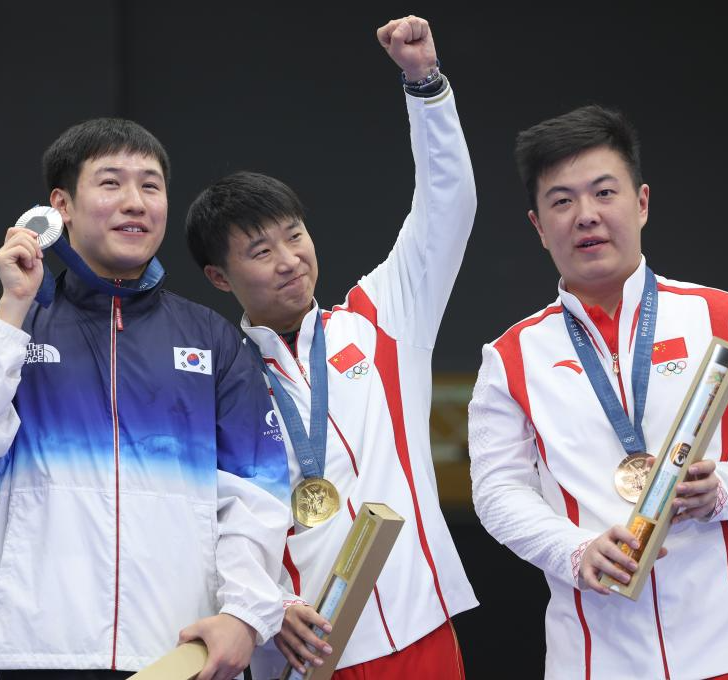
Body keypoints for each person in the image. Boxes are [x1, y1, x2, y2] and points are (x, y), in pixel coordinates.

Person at [0, 117, 290, 680]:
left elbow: (257, 492)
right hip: (36, 652)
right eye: (111, 183)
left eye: (150, 185)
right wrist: (13, 308)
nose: (135, 201)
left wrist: (243, 614)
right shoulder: (10, 330)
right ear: (60, 205)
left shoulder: (212, 340)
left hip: (177, 653)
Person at [467, 104, 728, 679]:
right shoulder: (509, 356)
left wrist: (725, 488)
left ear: (642, 203)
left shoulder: (724, 315)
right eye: (562, 201)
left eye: (604, 192)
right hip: (593, 657)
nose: (586, 215)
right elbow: (497, 492)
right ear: (538, 226)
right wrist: (572, 550)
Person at [184, 14, 478, 680]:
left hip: (420, 629)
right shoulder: (216, 379)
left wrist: (424, 85)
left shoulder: (382, 319)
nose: (289, 260)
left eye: (295, 236)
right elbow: (205, 519)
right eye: (261, 251)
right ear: (219, 277)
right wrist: (266, 606)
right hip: (305, 652)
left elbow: (447, 205)